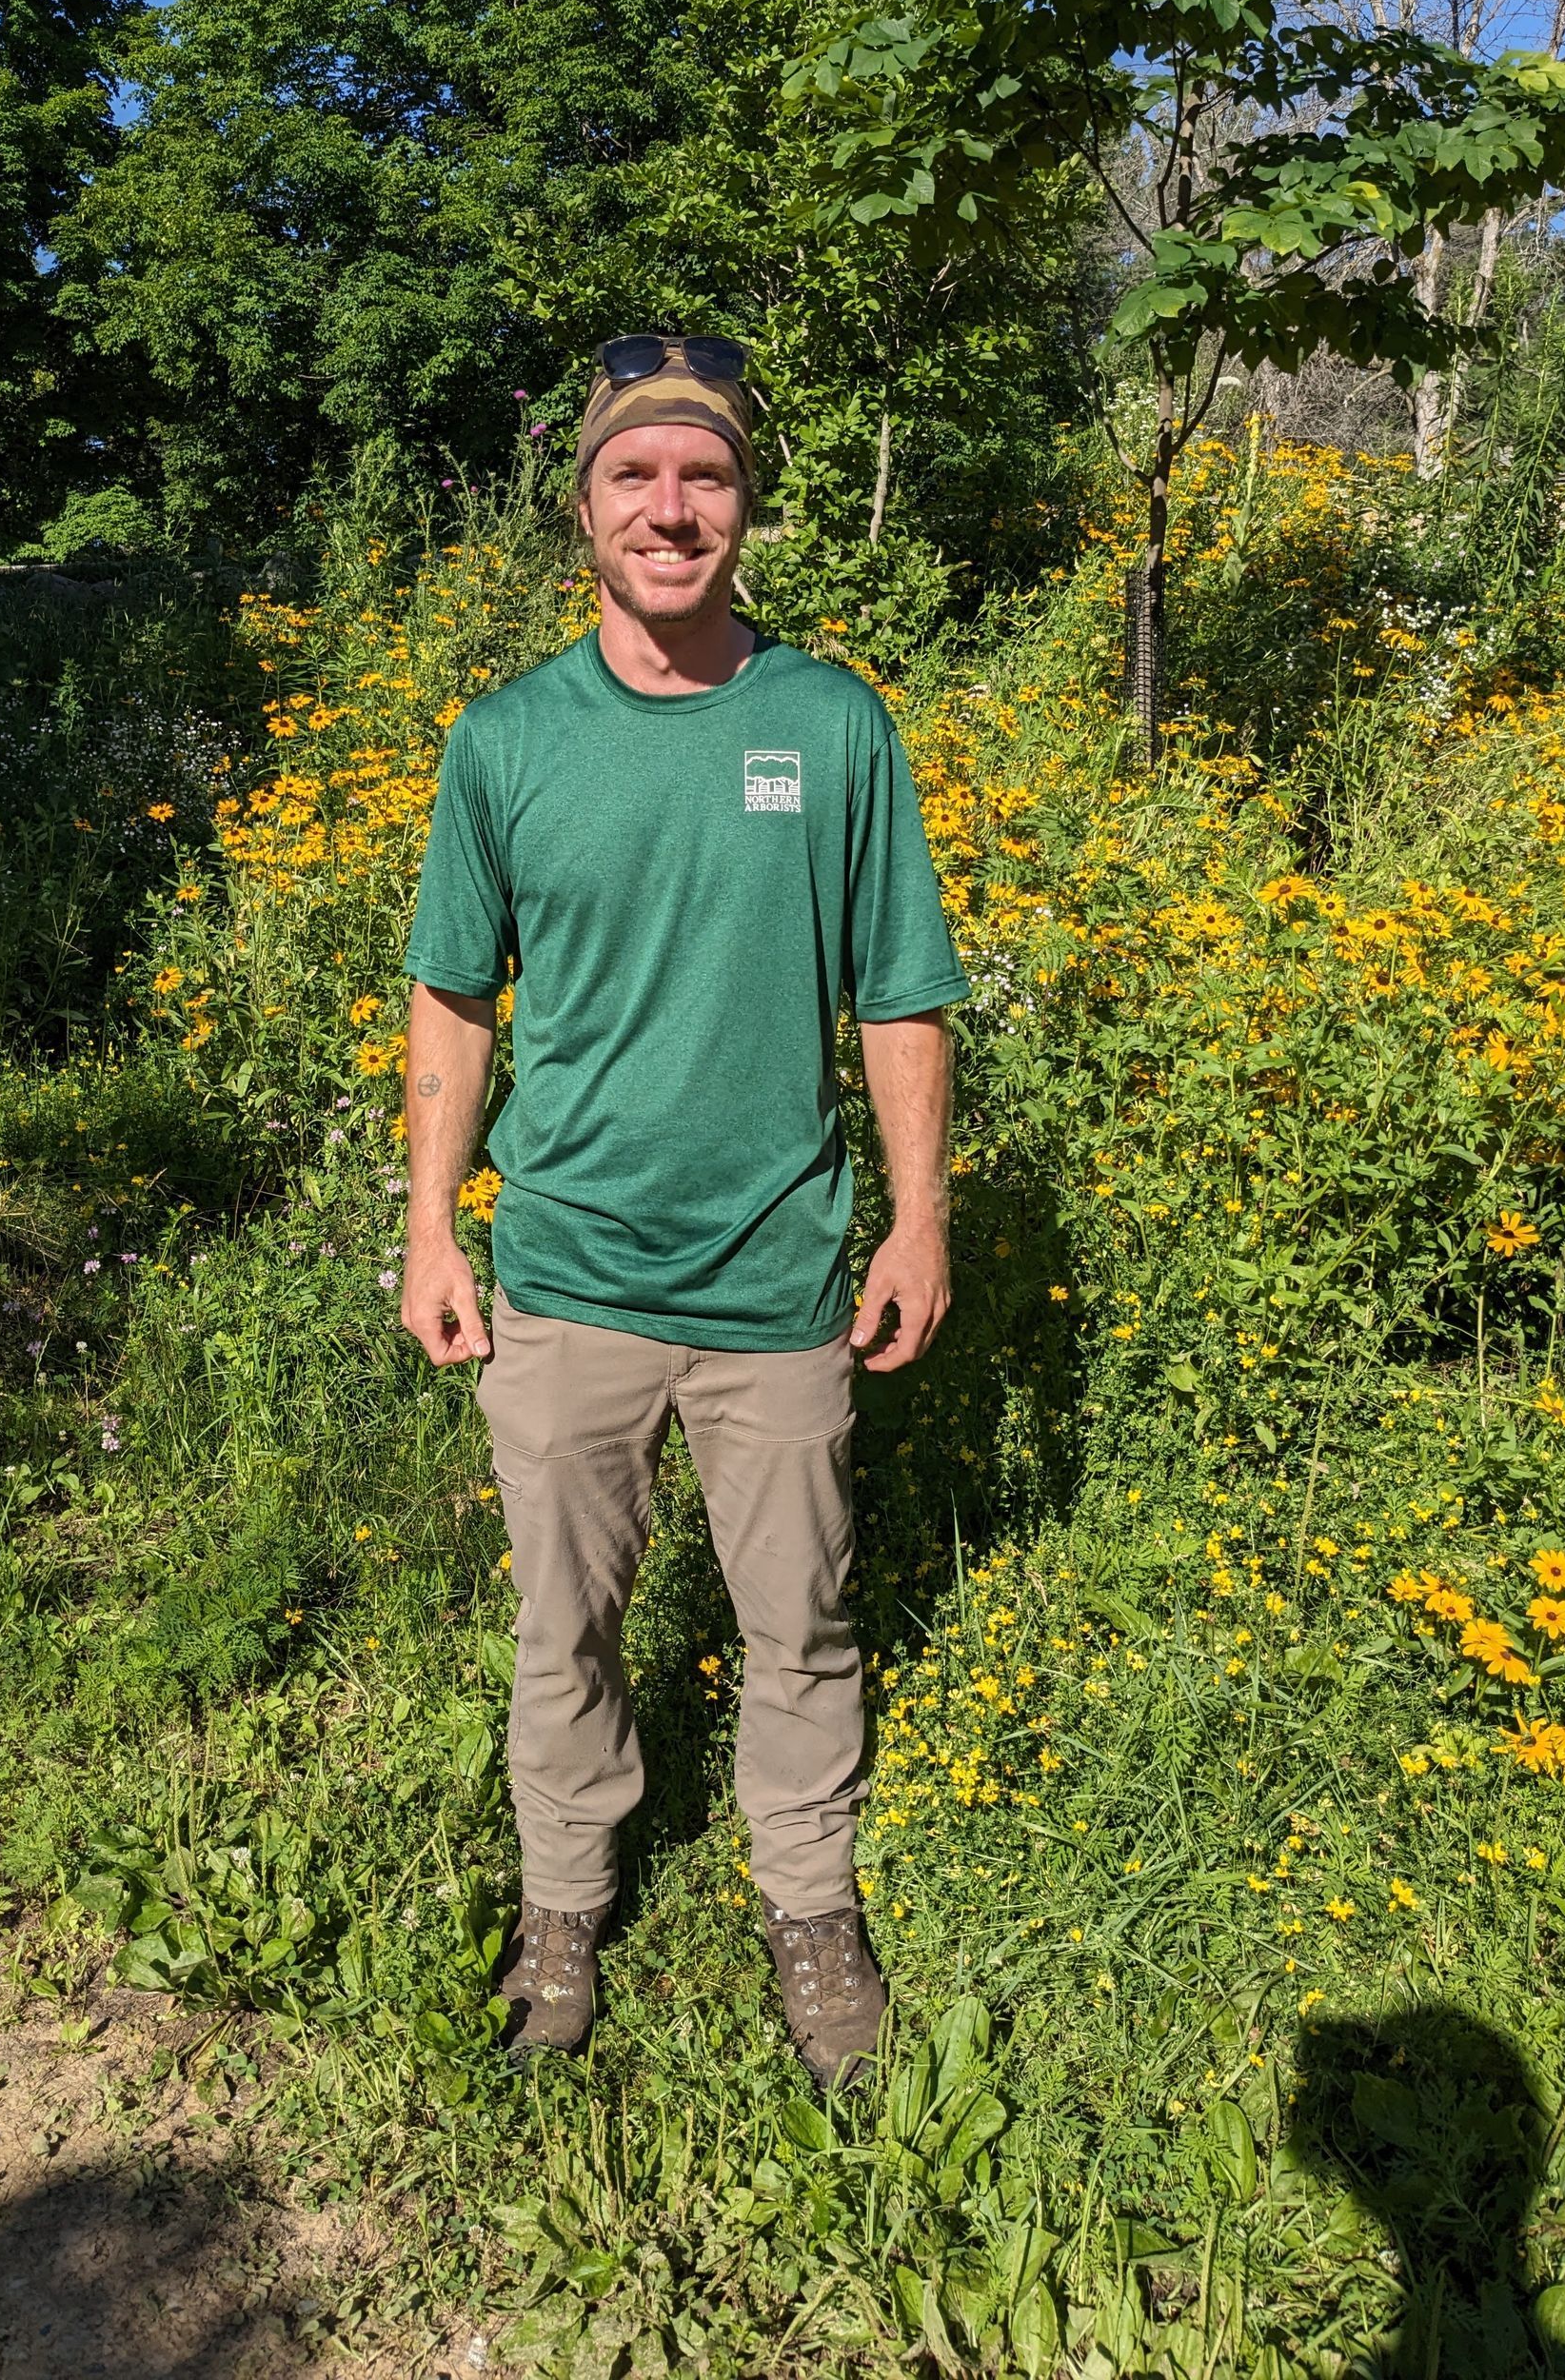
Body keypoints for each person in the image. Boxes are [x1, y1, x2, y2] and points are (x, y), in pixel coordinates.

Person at [399, 332, 969, 2090]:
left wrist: (918, 1217)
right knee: (561, 1621)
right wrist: (432, 1224)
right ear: (582, 509)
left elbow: (901, 995)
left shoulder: (829, 722)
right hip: (565, 1270)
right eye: (636, 475)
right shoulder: (506, 742)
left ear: (746, 508)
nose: (671, 508)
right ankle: (565, 1899)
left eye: (705, 476)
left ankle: (809, 1906)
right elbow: (454, 1000)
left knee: (799, 1623)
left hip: (778, 1279)